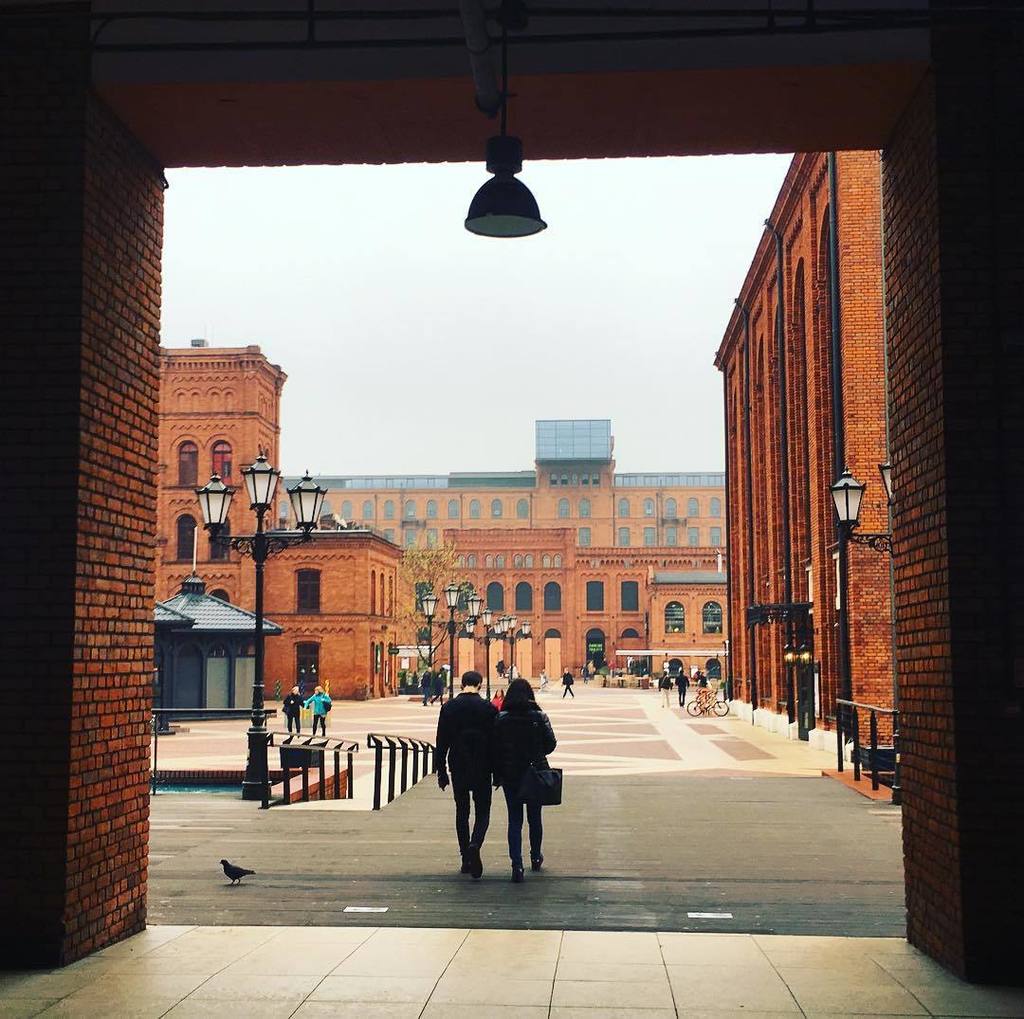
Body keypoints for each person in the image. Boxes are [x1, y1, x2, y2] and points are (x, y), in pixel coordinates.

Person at [435, 670, 497, 880]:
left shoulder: (449, 707)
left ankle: (465, 858)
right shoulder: (488, 708)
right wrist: (498, 772)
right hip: (483, 765)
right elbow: (495, 742)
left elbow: (441, 742)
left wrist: (441, 771)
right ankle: (475, 844)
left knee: (462, 811)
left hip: (458, 764)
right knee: (483, 811)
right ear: (480, 684)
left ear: (462, 684)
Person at [494, 678, 557, 883]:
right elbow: (551, 744)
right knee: (535, 817)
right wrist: (536, 751)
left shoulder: (501, 718)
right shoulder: (539, 716)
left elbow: (495, 747)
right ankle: (535, 856)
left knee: (514, 819)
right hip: (535, 772)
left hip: (510, 773)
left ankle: (517, 865)